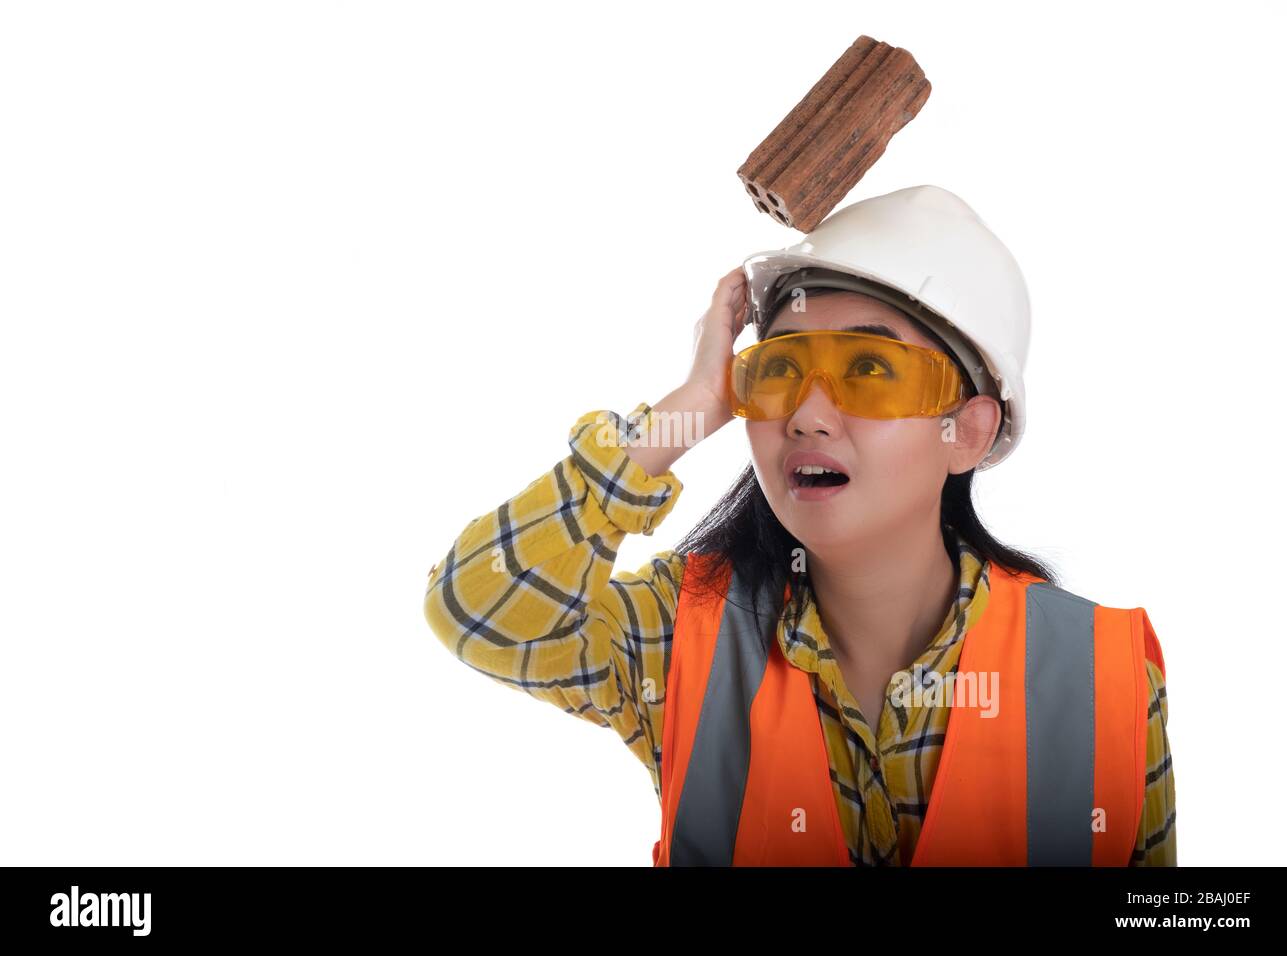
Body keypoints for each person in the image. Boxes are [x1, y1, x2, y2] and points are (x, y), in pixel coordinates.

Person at [424, 185, 1176, 866]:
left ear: (969, 433)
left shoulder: (1104, 678)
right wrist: (689, 406)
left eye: (871, 370)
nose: (809, 417)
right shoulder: (681, 642)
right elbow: (480, 610)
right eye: (779, 371)